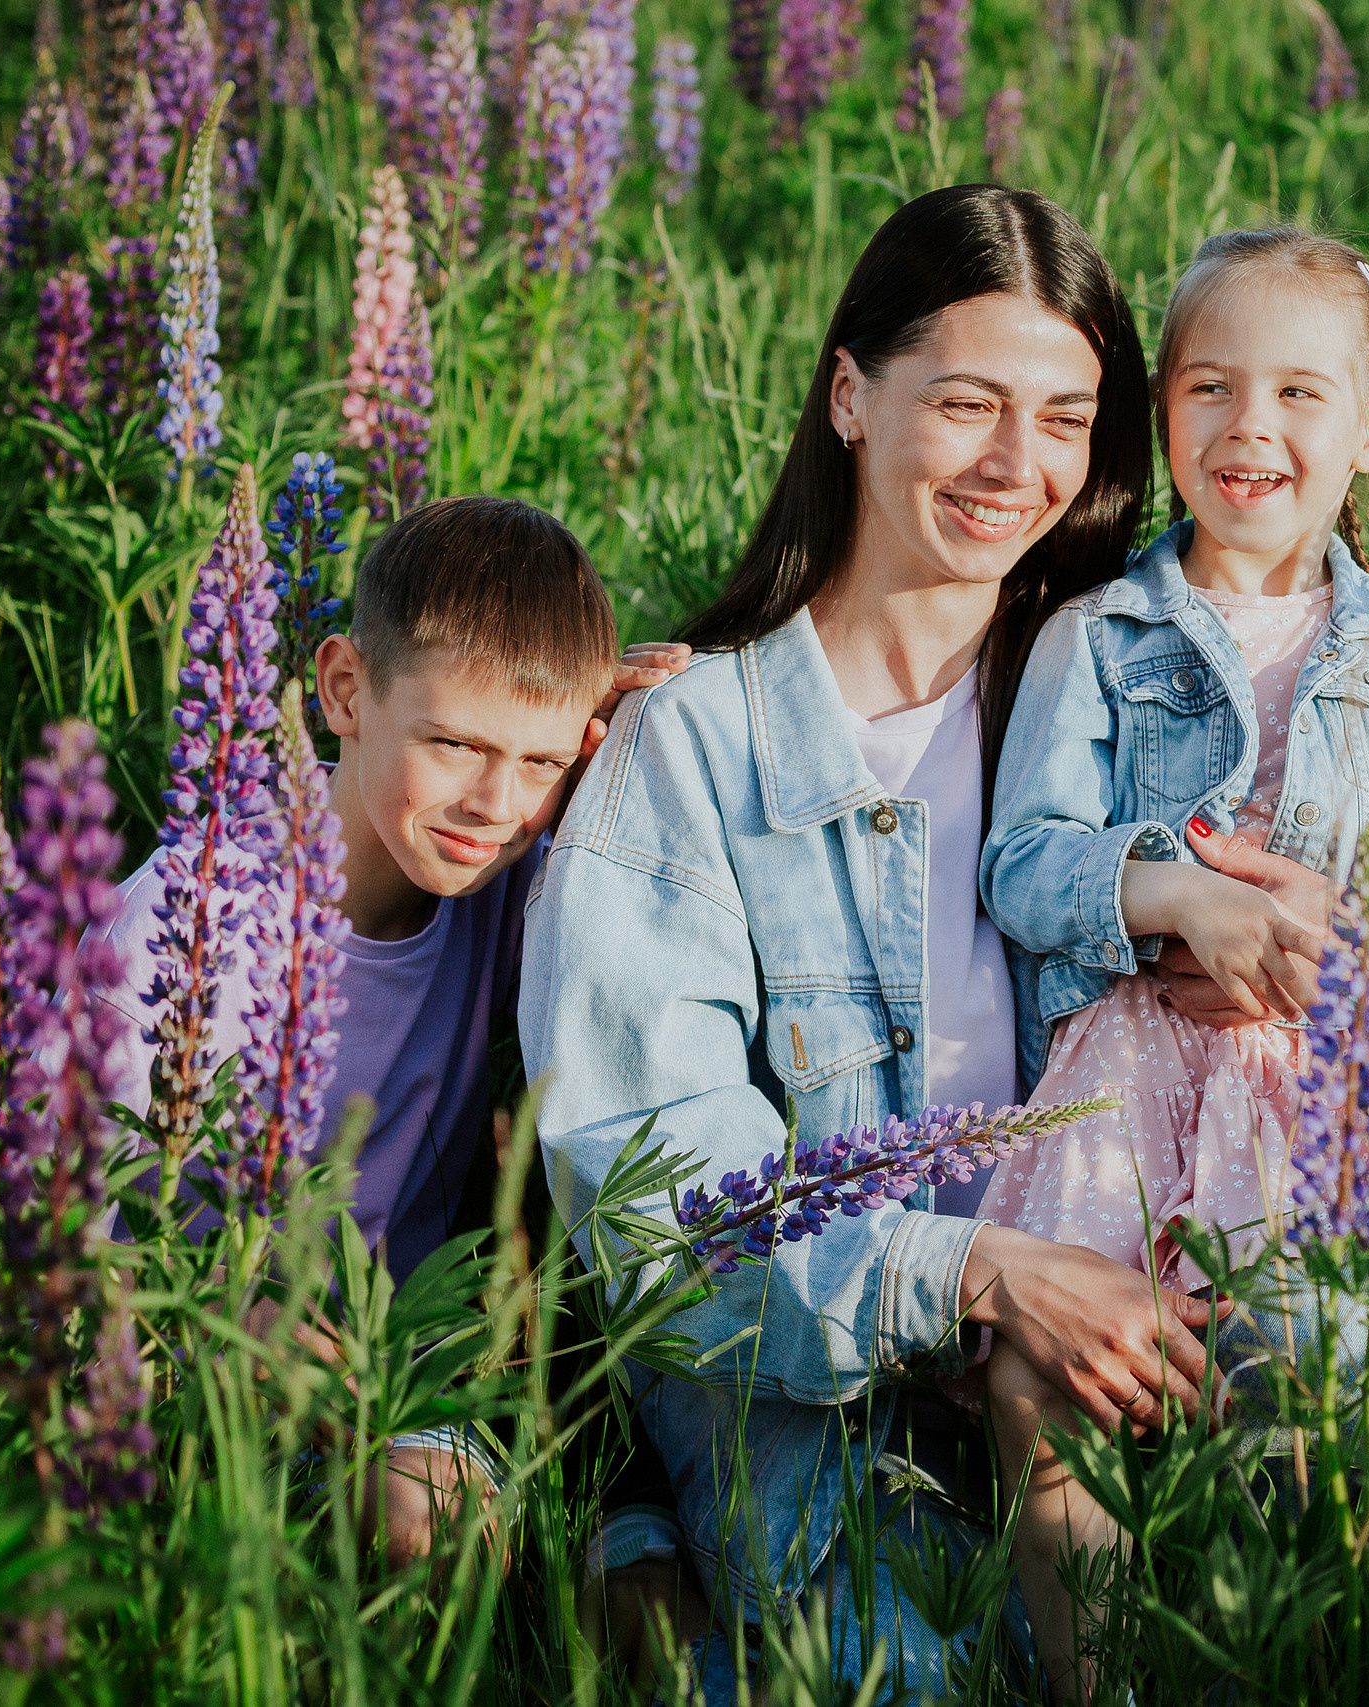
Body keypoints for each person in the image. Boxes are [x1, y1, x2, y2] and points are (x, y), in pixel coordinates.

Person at [520, 184, 1246, 1697]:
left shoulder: (1136, 720)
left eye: (1065, 416)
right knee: (910, 1677)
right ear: (851, 393)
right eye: (969, 403)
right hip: (804, 1396)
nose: (1021, 464)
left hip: (1106, 1355)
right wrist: (978, 1266)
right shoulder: (693, 754)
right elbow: (664, 1221)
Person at [975, 225, 1369, 1696]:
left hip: (1346, 1076)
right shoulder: (1097, 632)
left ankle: (1279, 1651)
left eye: (1300, 393)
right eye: (1211, 388)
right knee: (1055, 1384)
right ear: (1161, 410)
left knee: (1313, 1373)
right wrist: (1171, 896)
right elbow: (1024, 856)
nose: (1253, 427)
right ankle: (1085, 1673)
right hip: (1134, 1074)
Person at [94, 494, 679, 1563]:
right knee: (420, 1513)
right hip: (165, 1369)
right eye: (453, 743)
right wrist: (212, 1319)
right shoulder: (188, 925)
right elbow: (30, 1210)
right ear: (345, 690)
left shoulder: (505, 877)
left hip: (392, 1366)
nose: (493, 803)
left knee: (442, 1519)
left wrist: (654, 724)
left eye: (541, 764)